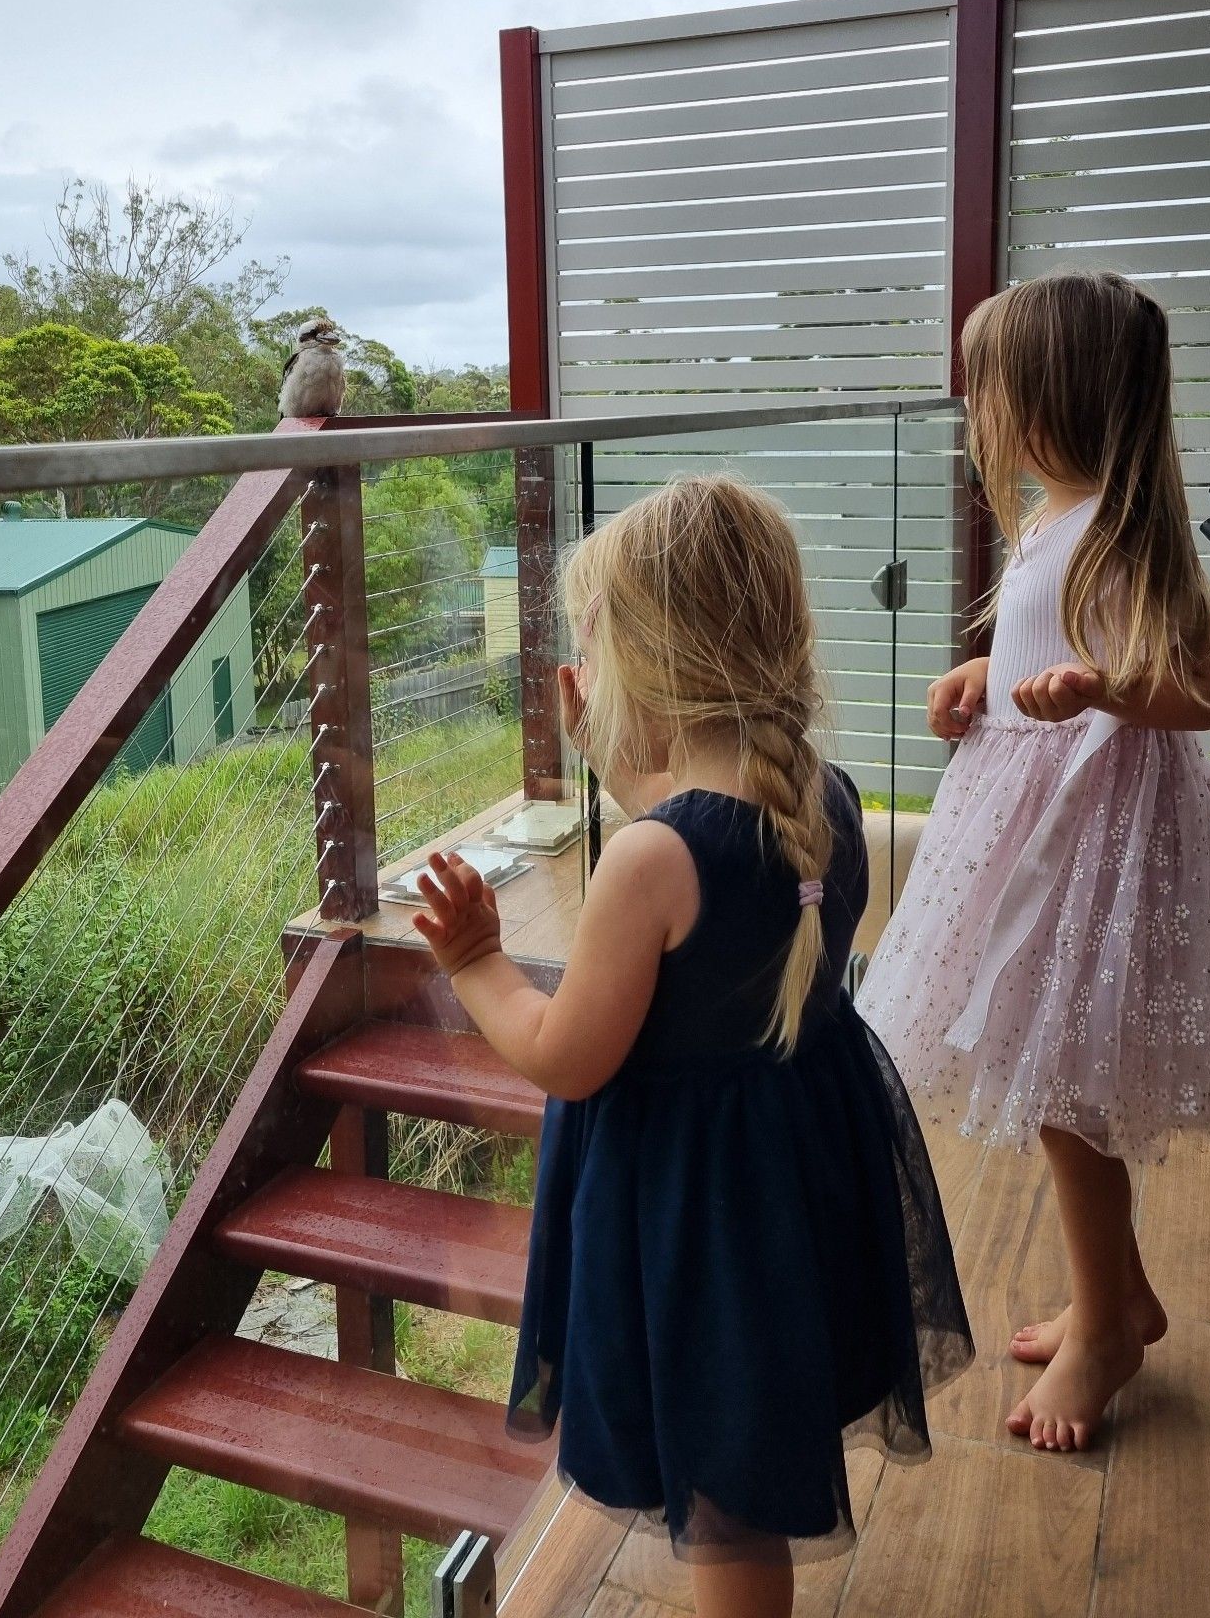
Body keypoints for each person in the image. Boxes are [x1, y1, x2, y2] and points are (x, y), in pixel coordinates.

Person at [413, 475, 972, 1618]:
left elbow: (569, 1055)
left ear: (640, 670)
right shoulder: (829, 800)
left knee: (723, 1493)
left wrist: (477, 959)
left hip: (696, 1220)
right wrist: (628, 762)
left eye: (589, 647)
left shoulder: (648, 862)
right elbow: (724, 907)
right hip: (797, 1181)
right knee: (758, 1443)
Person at [859, 269, 1210, 1454]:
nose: (980, 413)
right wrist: (983, 673)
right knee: (1047, 1067)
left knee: (1070, 1090)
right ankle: (1115, 1294)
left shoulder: (1125, 531)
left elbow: (1208, 688)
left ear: (1056, 402)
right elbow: (1035, 631)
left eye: (995, 390)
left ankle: (1107, 1333)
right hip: (1029, 829)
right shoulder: (1045, 520)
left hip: (1096, 842)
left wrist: (1111, 690)